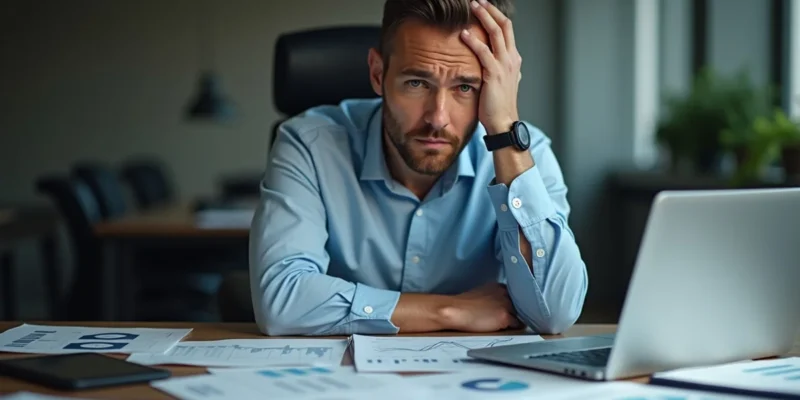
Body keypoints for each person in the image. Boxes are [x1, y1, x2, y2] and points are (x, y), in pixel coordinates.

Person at [249, 0, 588, 336]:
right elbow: (281, 300)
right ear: (378, 74)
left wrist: (504, 128)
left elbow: (554, 313)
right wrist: (449, 311)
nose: (438, 118)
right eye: (417, 83)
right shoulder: (309, 144)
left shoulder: (524, 154)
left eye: (465, 87)